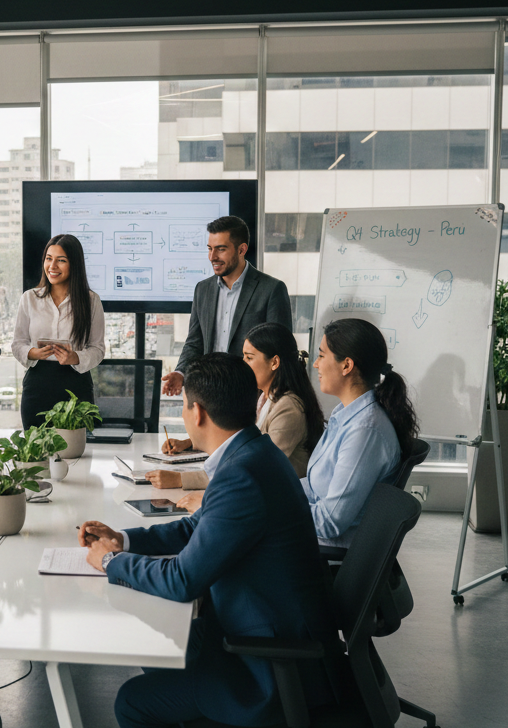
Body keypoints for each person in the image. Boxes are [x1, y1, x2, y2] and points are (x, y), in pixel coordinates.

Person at [77, 354, 340, 728]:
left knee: (134, 703)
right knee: (163, 653)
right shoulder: (252, 456)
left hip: (275, 665)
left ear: (196, 413)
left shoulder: (241, 474)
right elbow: (198, 531)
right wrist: (125, 541)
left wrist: (111, 564)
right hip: (281, 634)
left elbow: (183, 578)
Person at [152, 322, 324, 511]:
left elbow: (253, 469)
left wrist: (179, 479)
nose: (243, 363)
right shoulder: (265, 398)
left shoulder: (288, 407)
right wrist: (189, 443)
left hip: (273, 505)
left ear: (274, 362)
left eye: (249, 358)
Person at [306, 318, 418, 548]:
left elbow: (329, 522)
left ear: (346, 365)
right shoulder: (347, 415)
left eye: (321, 355)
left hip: (327, 551)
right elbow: (315, 485)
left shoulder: (365, 431)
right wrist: (268, 490)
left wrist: (270, 510)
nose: (316, 364)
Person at [162, 215, 291, 396]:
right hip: (210, 394)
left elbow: (281, 351)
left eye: (221, 249)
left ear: (241, 249)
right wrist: (180, 372)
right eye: (210, 249)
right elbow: (195, 342)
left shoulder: (271, 289)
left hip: (251, 396)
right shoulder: (202, 289)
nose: (212, 257)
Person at [12, 233, 106, 429]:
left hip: (75, 384)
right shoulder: (29, 298)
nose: (52, 266)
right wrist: (32, 353)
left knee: (74, 453)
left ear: (75, 264)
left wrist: (76, 357)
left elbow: (98, 349)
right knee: (37, 451)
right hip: (37, 384)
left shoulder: (91, 301)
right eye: (49, 259)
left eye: (61, 260)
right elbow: (18, 343)